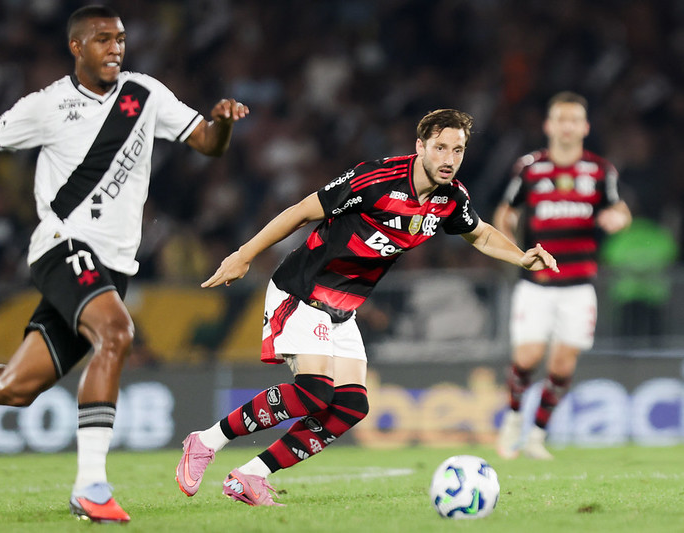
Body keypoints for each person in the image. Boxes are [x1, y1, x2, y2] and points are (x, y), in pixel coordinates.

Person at [0, 5, 249, 523]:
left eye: (120, 39)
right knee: (118, 335)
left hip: (112, 267)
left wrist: (221, 123)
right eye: (103, 39)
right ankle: (91, 486)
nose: (116, 48)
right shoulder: (47, 105)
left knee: (17, 386)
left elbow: (208, 146)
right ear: (77, 47)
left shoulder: (145, 95)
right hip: (64, 245)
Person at [175, 109, 558, 506]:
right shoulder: (376, 180)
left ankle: (250, 475)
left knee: (351, 405)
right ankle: (205, 441)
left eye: (457, 150)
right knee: (313, 393)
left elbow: (479, 234)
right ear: (420, 146)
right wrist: (244, 254)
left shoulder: (450, 198)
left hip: (344, 307)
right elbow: (301, 212)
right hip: (304, 290)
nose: (448, 159)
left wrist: (522, 258)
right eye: (440, 147)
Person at [493, 91, 631, 460]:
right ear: (549, 125)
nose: (567, 126)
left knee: (562, 365)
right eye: (561, 119)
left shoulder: (601, 171)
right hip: (537, 283)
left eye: (574, 120)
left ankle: (536, 435)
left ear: (584, 127)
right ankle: (512, 419)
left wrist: (617, 219)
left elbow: (621, 210)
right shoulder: (530, 168)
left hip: (579, 285)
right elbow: (506, 210)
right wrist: (508, 236)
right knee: (527, 357)